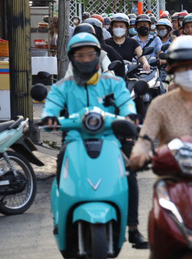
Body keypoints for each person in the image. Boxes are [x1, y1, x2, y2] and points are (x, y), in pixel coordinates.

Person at [41, 33, 148, 249]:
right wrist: (50, 118)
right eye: (80, 55)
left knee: (129, 172)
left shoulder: (114, 83)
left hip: (109, 140)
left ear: (98, 56)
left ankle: (133, 228)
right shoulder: (63, 86)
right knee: (61, 165)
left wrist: (130, 116)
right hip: (73, 140)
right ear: (72, 58)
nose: (86, 59)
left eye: (91, 54)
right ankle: (59, 218)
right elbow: (51, 108)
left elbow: (127, 103)